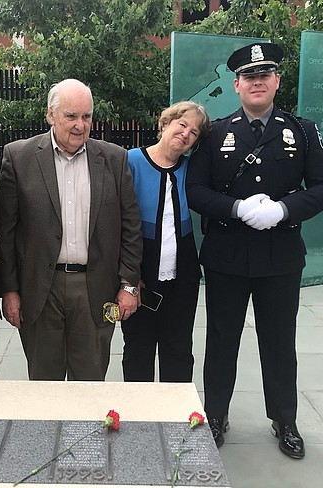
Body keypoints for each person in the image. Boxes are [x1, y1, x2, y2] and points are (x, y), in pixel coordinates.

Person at [186, 43, 323, 459]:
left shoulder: (302, 131)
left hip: (280, 256)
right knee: (221, 340)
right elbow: (195, 190)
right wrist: (236, 207)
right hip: (227, 257)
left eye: (264, 75)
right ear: (236, 85)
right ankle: (215, 414)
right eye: (249, 77)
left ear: (276, 82)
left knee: (278, 341)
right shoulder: (214, 133)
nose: (257, 82)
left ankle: (284, 420)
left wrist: (285, 208)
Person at [0, 78, 142, 381]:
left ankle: (84, 430)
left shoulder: (114, 159)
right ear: (51, 115)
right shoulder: (19, 157)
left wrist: (129, 284)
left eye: (86, 116)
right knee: (44, 382)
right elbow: (7, 231)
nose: (80, 125)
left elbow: (131, 225)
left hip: (96, 287)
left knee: (89, 382)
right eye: (71, 116)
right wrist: (9, 290)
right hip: (40, 289)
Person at [122, 101, 210, 382]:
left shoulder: (192, 169)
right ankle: (139, 417)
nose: (186, 134)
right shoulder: (131, 161)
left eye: (194, 132)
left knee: (179, 350)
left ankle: (177, 418)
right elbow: (117, 224)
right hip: (141, 274)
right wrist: (128, 277)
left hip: (182, 276)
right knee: (138, 349)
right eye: (182, 124)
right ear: (165, 123)